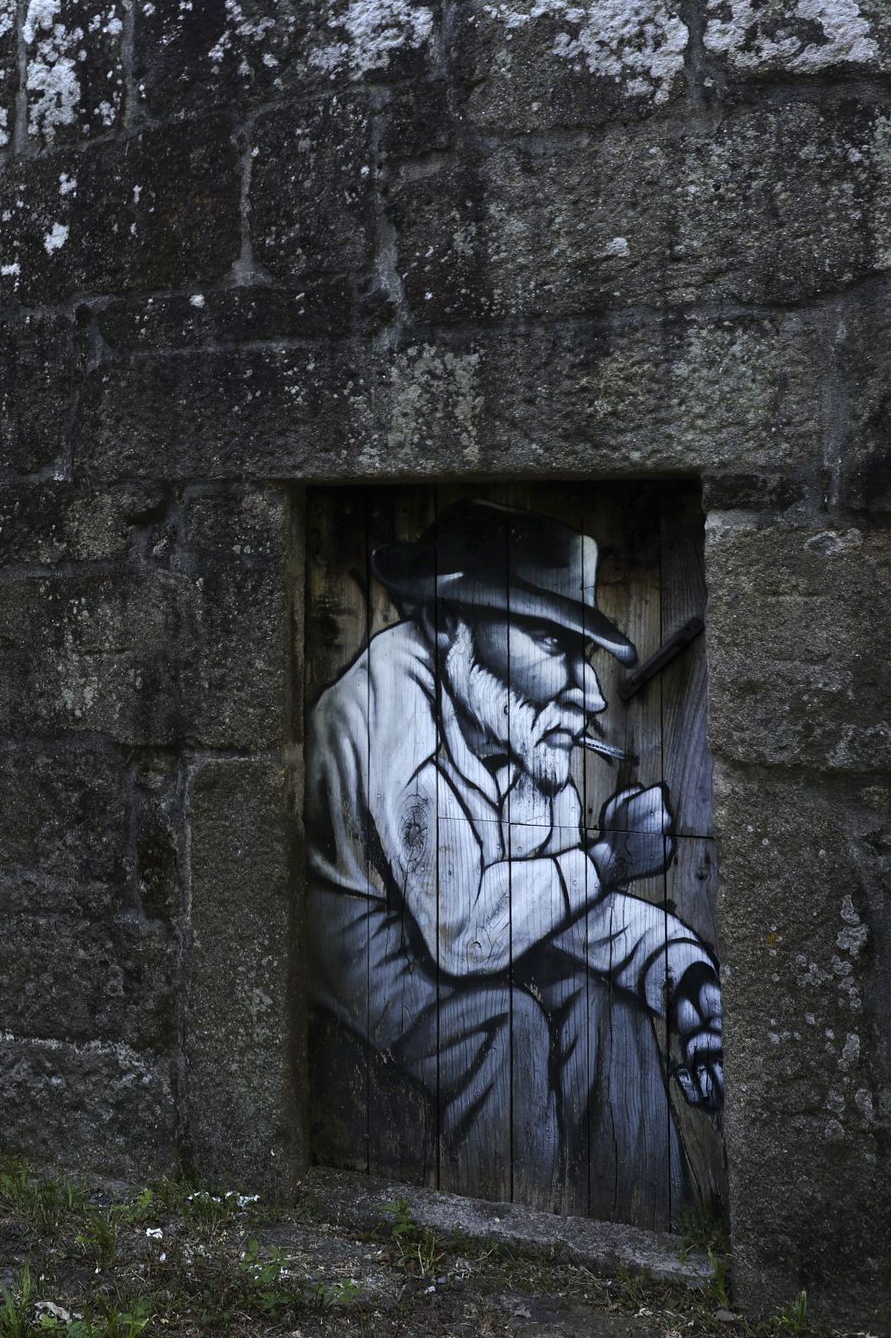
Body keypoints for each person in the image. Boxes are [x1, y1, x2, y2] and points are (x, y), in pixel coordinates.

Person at [306, 501, 723, 1214]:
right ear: (445, 624)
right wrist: (606, 861)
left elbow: (556, 906)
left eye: (581, 653)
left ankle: (654, 1227)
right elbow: (463, 932)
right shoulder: (393, 704)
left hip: (452, 914)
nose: (589, 694)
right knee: (504, 1030)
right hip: (358, 925)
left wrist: (679, 975)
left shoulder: (524, 734)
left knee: (606, 1010)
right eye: (549, 644)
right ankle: (506, 1233)